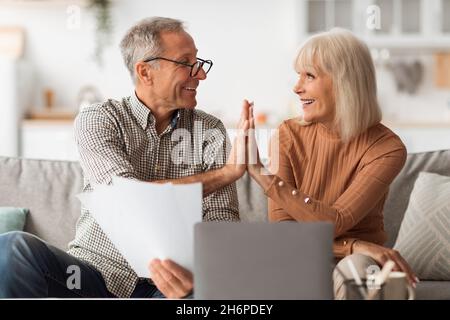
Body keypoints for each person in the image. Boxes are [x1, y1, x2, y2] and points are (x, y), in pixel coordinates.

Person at [0, 17, 246, 299]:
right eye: (185, 63)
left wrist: (196, 275)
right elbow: (126, 196)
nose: (200, 74)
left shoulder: (209, 130)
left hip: (168, 287)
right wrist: (225, 174)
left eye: (198, 62)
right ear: (145, 72)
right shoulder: (99, 118)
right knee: (11, 248)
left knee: (209, 294)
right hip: (89, 277)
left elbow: (221, 221)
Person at [239, 28, 419, 299]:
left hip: (356, 261)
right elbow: (284, 233)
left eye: (309, 75)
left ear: (343, 82)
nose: (297, 87)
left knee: (355, 272)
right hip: (301, 252)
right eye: (298, 75)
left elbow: (334, 223)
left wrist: (262, 175)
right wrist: (358, 245)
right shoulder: (288, 134)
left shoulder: (385, 148)